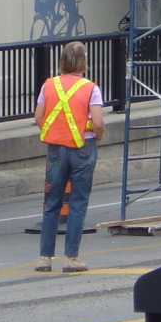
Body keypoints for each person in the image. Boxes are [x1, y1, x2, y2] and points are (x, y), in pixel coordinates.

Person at [32, 41, 105, 272]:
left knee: (52, 202)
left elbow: (38, 117)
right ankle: (71, 258)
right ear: (84, 61)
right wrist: (98, 136)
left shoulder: (49, 85)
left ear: (62, 60)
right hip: (83, 146)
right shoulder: (90, 88)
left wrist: (55, 132)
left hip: (55, 147)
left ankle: (44, 258)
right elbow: (99, 122)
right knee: (77, 202)